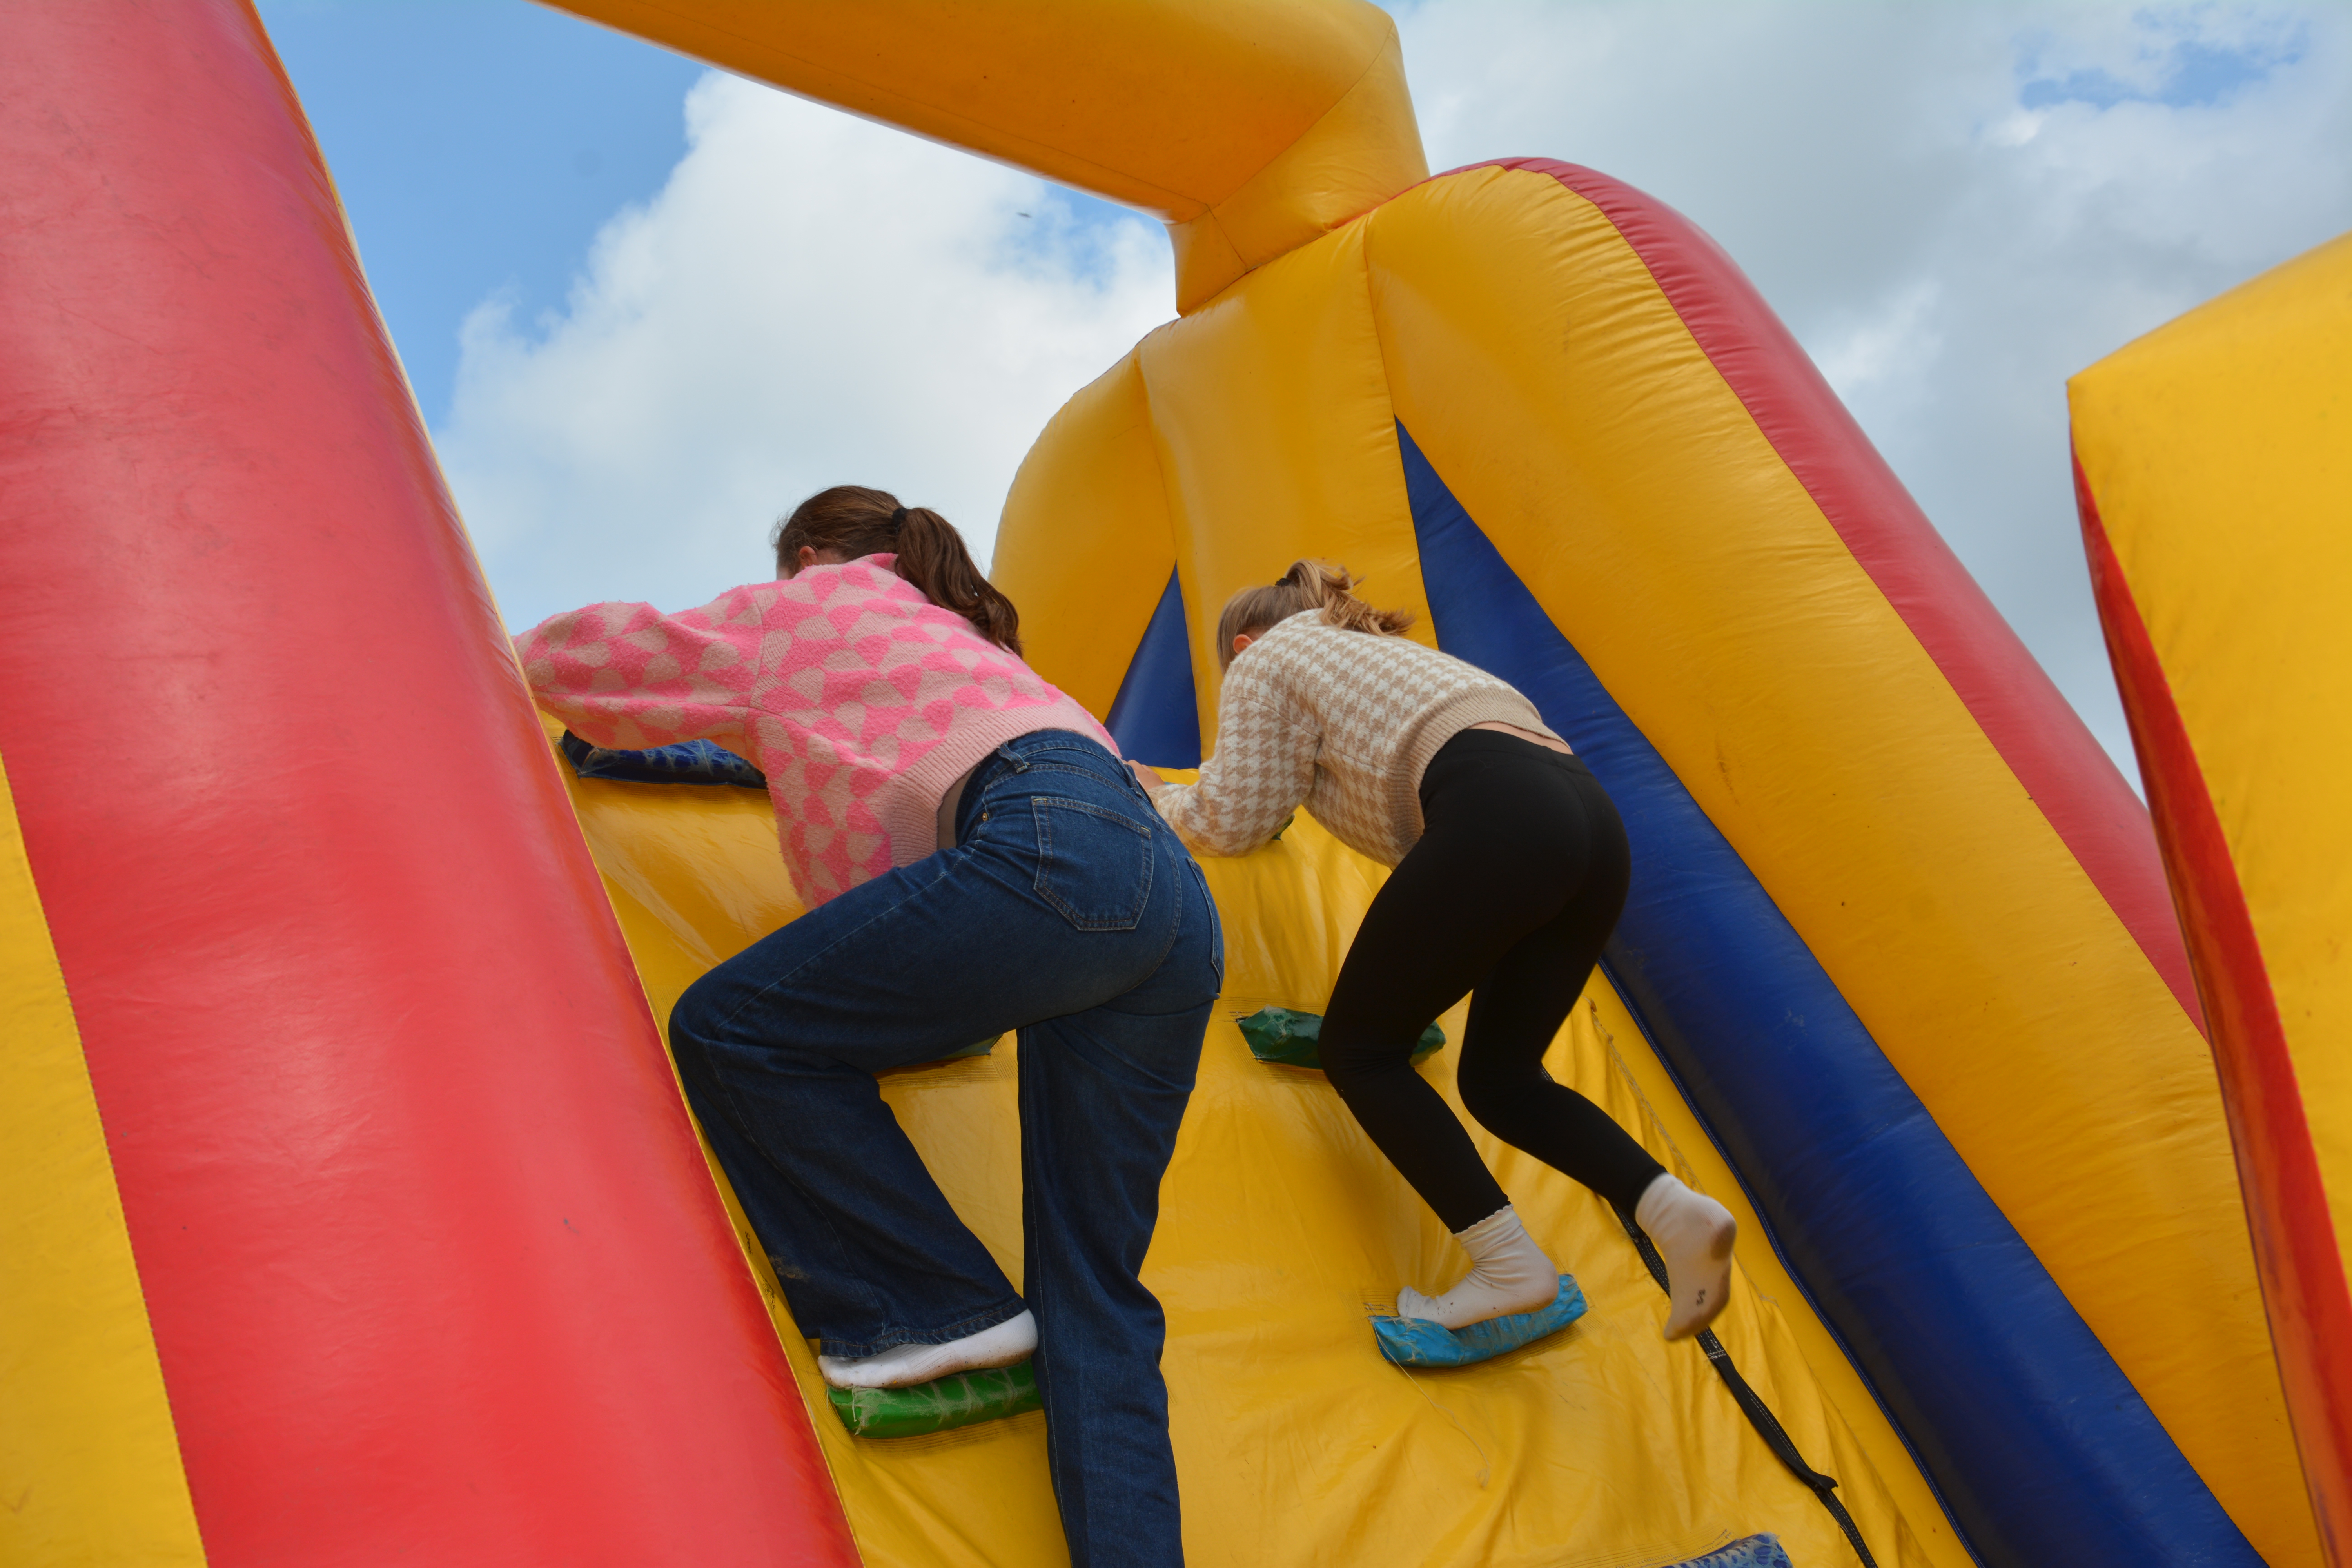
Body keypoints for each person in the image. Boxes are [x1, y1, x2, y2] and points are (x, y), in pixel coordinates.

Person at [517, 486, 1220, 1567]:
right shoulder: (968, 648)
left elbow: (607, 664)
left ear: (813, 554)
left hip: (1053, 861)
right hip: (1169, 909)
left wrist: (481, 637)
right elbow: (843, 766)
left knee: (733, 1027)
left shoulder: (815, 603)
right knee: (1098, 1297)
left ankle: (930, 1306)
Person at [1132, 561, 1734, 1342]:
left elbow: (1231, 817)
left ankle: (1510, 1264)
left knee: (1361, 1049)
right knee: (1503, 1078)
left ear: (1242, 643)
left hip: (1500, 818)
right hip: (1588, 825)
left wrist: (1151, 793)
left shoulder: (1269, 659)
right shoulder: (1385, 648)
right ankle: (1671, 1208)